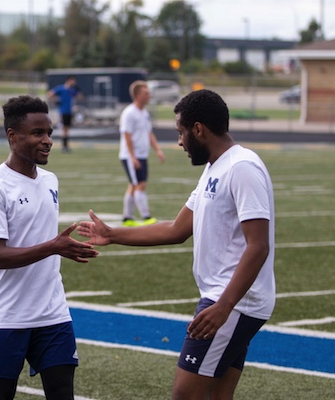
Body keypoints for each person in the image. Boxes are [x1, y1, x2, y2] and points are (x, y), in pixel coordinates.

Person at [78, 89, 275, 400]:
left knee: (185, 395)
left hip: (232, 303)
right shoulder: (216, 167)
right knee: (216, 396)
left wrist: (223, 306)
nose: (180, 142)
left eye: (181, 132)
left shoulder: (242, 167)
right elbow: (177, 228)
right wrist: (113, 235)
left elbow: (258, 246)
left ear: (198, 129)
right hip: (227, 301)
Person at [0, 95, 99, 400]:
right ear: (12, 137)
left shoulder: (50, 180)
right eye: (37, 133)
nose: (47, 141)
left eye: (50, 133)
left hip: (52, 312)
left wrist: (59, 246)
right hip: (6, 314)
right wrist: (54, 246)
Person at [119, 80, 165, 227]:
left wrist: (157, 149)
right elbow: (126, 135)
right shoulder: (129, 113)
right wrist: (132, 157)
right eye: (146, 93)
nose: (149, 96)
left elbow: (149, 133)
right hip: (131, 156)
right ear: (138, 95)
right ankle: (146, 217)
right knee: (140, 184)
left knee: (134, 185)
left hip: (142, 155)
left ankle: (127, 218)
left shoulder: (144, 113)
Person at [47, 75, 82, 152]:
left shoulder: (72, 90)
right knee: (64, 129)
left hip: (69, 111)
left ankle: (66, 146)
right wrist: (56, 101)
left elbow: (80, 98)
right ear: (69, 80)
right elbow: (50, 93)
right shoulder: (61, 88)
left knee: (67, 129)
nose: (74, 82)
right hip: (63, 111)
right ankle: (64, 146)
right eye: (73, 80)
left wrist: (78, 90)